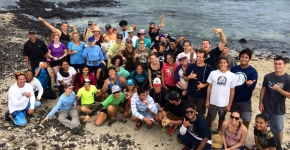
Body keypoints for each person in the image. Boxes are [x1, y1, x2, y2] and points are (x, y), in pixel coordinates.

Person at [259, 56, 290, 143]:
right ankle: (268, 143)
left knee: (278, 129)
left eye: (280, 64)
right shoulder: (268, 77)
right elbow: (263, 89)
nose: (277, 66)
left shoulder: (287, 78)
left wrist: (279, 89)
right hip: (266, 107)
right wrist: (260, 103)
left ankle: (278, 146)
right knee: (266, 127)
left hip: (278, 109)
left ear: (284, 65)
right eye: (275, 64)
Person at [206, 57, 236, 134]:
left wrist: (230, 104)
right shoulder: (213, 73)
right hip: (213, 101)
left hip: (224, 102)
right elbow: (209, 87)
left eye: (224, 62)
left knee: (222, 117)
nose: (223, 64)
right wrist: (207, 100)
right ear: (218, 64)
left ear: (227, 64)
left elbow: (232, 90)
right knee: (210, 117)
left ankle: (219, 130)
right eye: (221, 62)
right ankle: (208, 129)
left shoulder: (232, 75)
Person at [230, 48, 258, 129]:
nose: (244, 59)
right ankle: (234, 134)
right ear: (239, 57)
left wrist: (249, 85)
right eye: (242, 57)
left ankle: (242, 137)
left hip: (245, 101)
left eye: (246, 57)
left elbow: (252, 88)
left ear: (249, 59)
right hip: (234, 100)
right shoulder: (234, 69)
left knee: (246, 121)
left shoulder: (253, 71)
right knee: (234, 119)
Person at [184, 49, 213, 118]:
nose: (198, 58)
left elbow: (212, 82)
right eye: (197, 56)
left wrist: (204, 85)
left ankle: (201, 125)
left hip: (202, 95)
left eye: (200, 57)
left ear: (204, 58)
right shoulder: (191, 66)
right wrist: (189, 77)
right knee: (190, 112)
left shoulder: (209, 68)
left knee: (201, 113)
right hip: (191, 94)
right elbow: (185, 79)